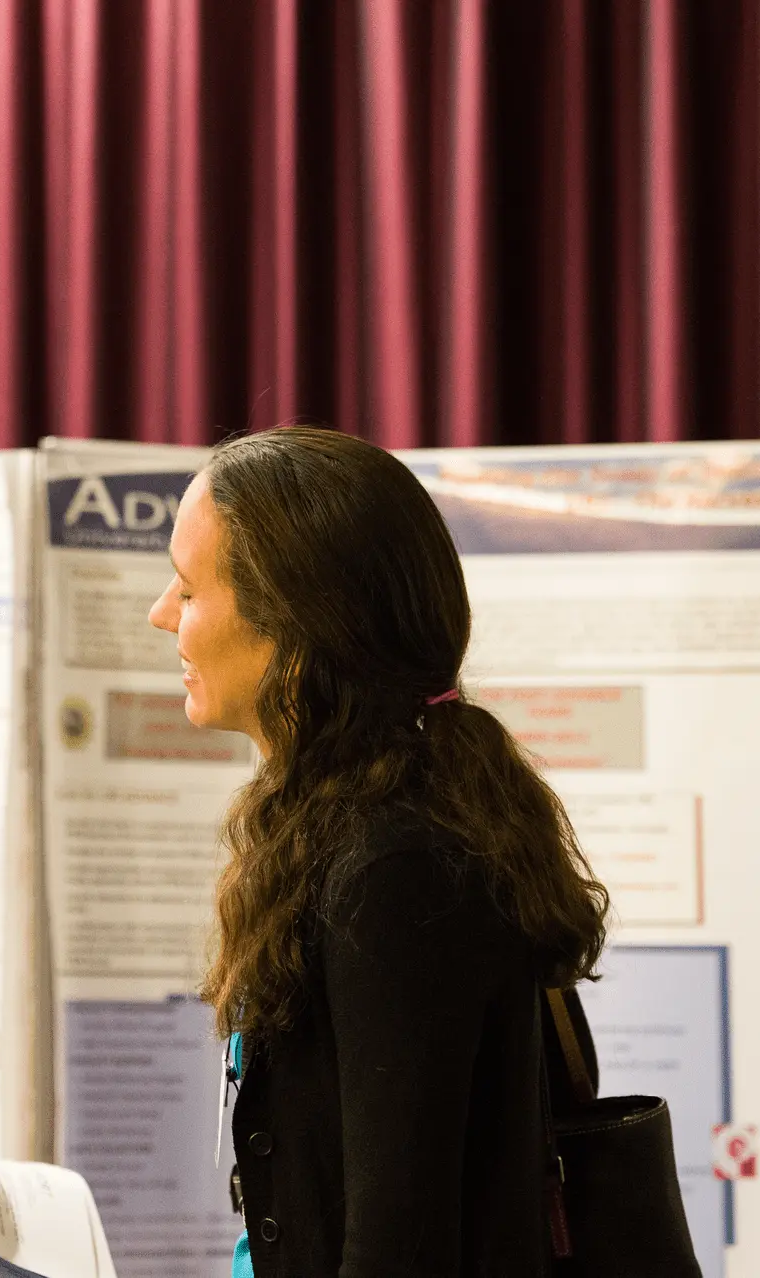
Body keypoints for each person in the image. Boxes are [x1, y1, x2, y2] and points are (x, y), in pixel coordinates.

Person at [146, 427, 610, 1277]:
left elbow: (399, 1248)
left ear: (291, 623)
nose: (162, 614)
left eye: (188, 588)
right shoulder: (349, 828)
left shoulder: (396, 867)